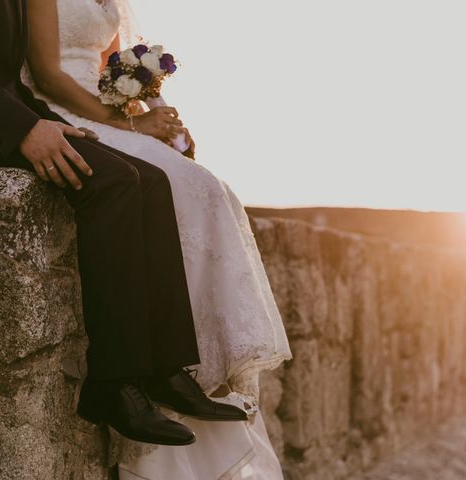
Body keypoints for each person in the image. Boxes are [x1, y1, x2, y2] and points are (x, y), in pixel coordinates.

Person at [0, 0, 252, 449]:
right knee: (113, 184)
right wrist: (23, 129)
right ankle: (113, 384)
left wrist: (50, 123)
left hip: (3, 114)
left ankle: (165, 369)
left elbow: (5, 78)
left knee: (150, 180)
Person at [22, 0, 292, 478]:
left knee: (209, 188)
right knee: (175, 186)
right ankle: (158, 370)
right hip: (61, 108)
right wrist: (125, 124)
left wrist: (151, 111)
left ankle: (183, 366)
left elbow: (110, 63)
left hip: (103, 106)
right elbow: (46, 73)